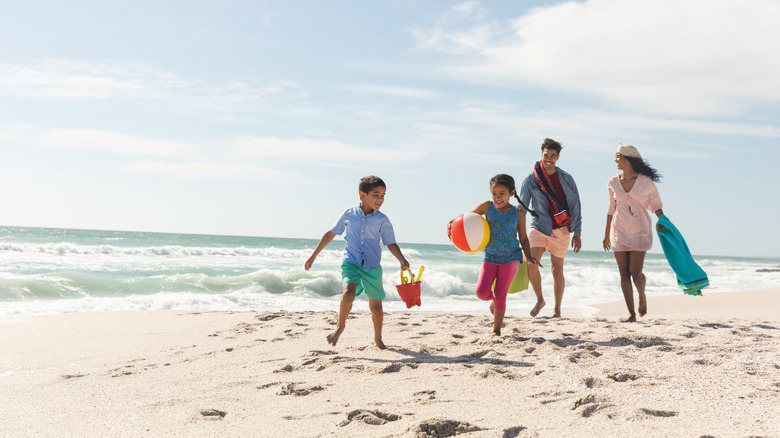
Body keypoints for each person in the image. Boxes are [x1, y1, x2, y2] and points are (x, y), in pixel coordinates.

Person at [305, 175, 409, 349]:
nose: (380, 199)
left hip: (372, 266)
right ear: (363, 195)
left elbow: (390, 243)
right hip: (351, 262)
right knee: (348, 293)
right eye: (376, 195)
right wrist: (314, 255)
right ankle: (340, 326)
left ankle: (378, 339)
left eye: (383, 195)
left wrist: (402, 259)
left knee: (376, 307)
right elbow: (331, 233)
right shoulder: (348, 214)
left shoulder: (382, 220)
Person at [448, 174, 540, 335]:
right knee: (481, 293)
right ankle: (494, 300)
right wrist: (451, 223)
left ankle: (496, 331)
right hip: (490, 257)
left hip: (511, 258)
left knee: (500, 294)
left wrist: (530, 257)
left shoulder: (518, 213)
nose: (497, 198)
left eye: (502, 193)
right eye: (494, 193)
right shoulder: (486, 207)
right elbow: (466, 219)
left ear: (511, 193)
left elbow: (524, 238)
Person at [519, 138, 582, 318]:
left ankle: (557, 310)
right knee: (531, 263)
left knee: (557, 269)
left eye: (553, 156)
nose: (549, 159)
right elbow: (522, 208)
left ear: (558, 157)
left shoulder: (567, 178)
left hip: (561, 230)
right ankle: (540, 300)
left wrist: (577, 232)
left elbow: (576, 206)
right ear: (541, 154)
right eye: (546, 155)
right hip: (539, 227)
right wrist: (516, 229)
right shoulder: (531, 179)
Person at [602, 144, 666, 322]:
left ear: (627, 159)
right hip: (619, 230)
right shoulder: (612, 182)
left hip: (640, 230)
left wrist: (662, 221)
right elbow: (610, 209)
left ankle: (642, 296)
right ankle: (631, 314)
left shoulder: (645, 182)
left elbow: (656, 204)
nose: (615, 160)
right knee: (623, 272)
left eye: (618, 156)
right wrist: (606, 234)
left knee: (635, 273)